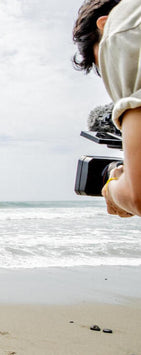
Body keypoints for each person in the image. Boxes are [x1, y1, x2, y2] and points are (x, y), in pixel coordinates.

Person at [73, 0, 141, 217]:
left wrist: (113, 185)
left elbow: (137, 196)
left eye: (103, 65)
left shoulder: (121, 29)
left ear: (104, 24)